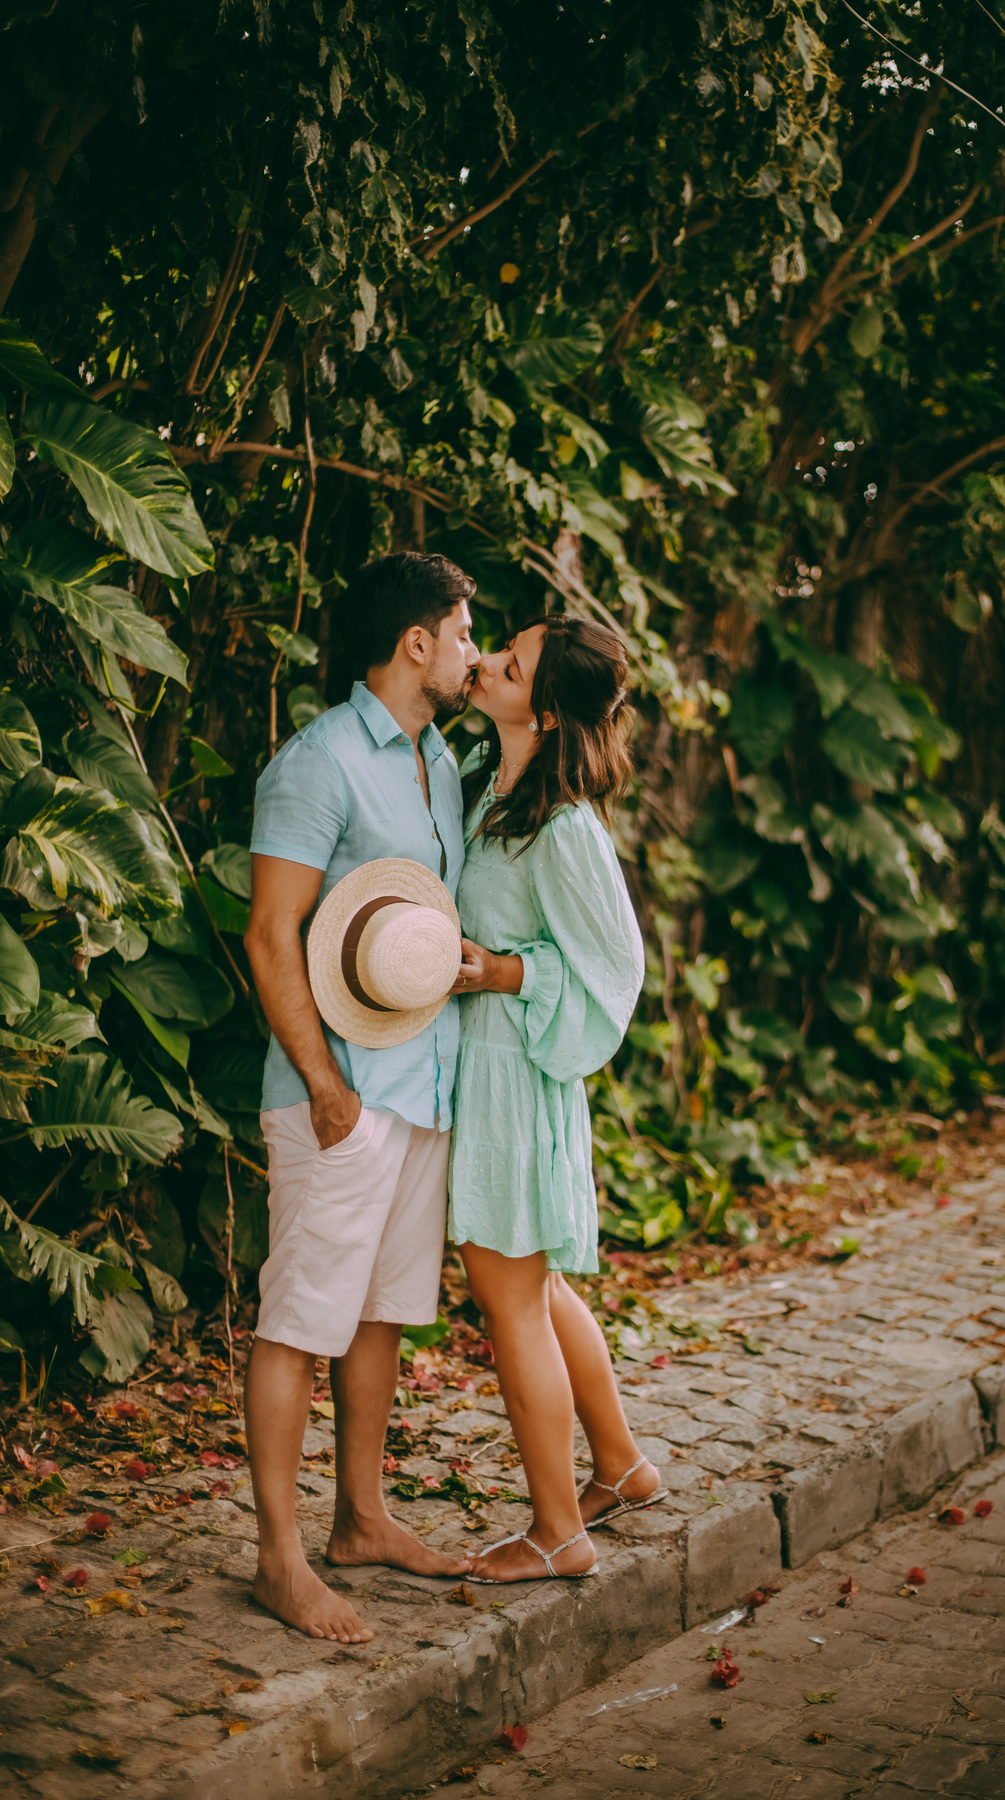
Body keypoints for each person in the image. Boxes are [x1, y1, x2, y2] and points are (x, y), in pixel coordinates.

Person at [243, 551, 480, 1643]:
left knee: (382, 1314)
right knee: (301, 1320)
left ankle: (363, 1520)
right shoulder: (319, 761)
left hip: (419, 1083)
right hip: (337, 1095)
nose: (475, 654)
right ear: (416, 642)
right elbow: (270, 932)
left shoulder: (444, 760)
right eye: (466, 633)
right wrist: (326, 1085)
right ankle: (279, 1560)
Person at [447, 614, 662, 1582]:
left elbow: (615, 974)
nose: (486, 659)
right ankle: (619, 1467)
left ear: (539, 704)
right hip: (481, 1065)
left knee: (511, 1303)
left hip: (515, 1076)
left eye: (511, 661)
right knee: (539, 1288)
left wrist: (504, 973)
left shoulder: (562, 824)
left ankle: (556, 1533)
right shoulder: (486, 786)